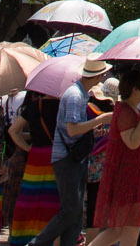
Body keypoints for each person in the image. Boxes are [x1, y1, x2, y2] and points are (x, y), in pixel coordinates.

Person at [32, 58, 112, 246]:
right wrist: (100, 120)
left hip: (74, 158)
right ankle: (38, 243)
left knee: (75, 214)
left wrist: (92, 131)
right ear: (99, 75)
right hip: (67, 159)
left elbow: (75, 130)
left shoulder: (80, 94)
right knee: (70, 210)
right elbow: (72, 129)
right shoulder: (76, 95)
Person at [85, 62, 140, 246]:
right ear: (135, 89)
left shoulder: (131, 109)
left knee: (120, 230)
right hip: (126, 176)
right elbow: (131, 142)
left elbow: (132, 137)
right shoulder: (125, 110)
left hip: (131, 174)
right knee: (130, 229)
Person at [7, 90, 63, 246]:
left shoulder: (33, 107)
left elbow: (13, 131)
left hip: (35, 158)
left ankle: (24, 239)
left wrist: (27, 148)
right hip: (56, 158)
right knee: (52, 201)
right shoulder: (63, 106)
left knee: (31, 199)